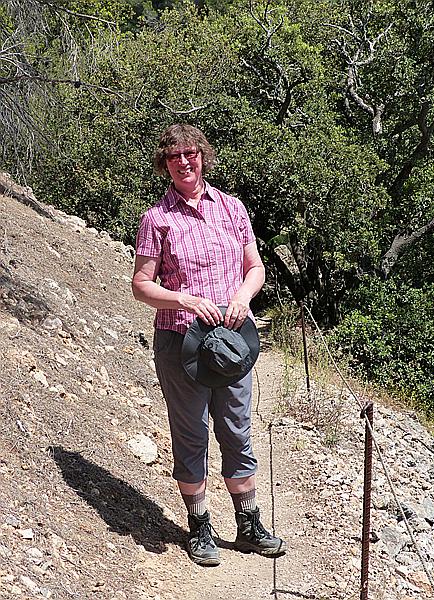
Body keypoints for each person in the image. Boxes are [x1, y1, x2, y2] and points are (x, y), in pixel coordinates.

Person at [132, 123, 286, 566]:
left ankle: (249, 522)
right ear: (165, 165)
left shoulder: (232, 208)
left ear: (203, 156)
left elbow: (255, 267)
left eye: (190, 154)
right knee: (192, 432)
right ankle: (199, 524)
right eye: (174, 156)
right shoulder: (156, 218)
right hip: (181, 339)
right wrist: (184, 297)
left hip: (233, 339)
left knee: (237, 429)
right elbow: (141, 285)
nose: (184, 162)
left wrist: (241, 297)